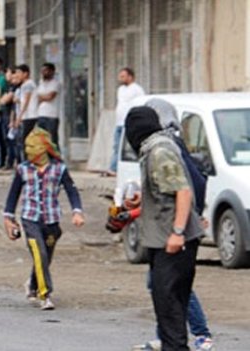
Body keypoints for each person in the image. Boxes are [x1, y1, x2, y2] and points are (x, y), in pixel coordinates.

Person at [124, 106, 204, 351]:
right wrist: (142, 198)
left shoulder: (159, 151)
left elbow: (183, 191)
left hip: (173, 242)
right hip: (164, 239)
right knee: (171, 307)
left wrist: (177, 232)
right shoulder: (156, 148)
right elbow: (167, 190)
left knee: (169, 306)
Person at [2, 127, 85, 311]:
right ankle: (45, 294)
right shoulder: (23, 169)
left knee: (45, 257)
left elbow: (72, 191)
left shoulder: (59, 169)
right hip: (30, 218)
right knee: (39, 252)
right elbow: (13, 194)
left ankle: (32, 284)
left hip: (52, 221)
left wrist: (77, 211)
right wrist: (8, 217)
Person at [108, 67, 145, 177]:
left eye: (123, 76)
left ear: (130, 77)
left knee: (131, 146)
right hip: (119, 122)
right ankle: (114, 168)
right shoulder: (121, 89)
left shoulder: (137, 89)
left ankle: (118, 168)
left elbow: (141, 103)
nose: (121, 79)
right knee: (117, 146)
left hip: (129, 122)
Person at [35, 63, 61, 146]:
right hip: (41, 114)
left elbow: (50, 97)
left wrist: (41, 97)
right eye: (42, 71)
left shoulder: (56, 83)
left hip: (52, 115)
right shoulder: (41, 83)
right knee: (42, 139)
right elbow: (36, 97)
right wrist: (43, 97)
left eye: (46, 70)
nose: (43, 72)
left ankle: (55, 158)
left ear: (52, 71)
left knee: (53, 139)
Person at [13, 64, 38, 145]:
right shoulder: (24, 85)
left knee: (26, 141)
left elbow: (26, 101)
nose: (17, 75)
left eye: (19, 72)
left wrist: (19, 117)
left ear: (26, 73)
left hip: (30, 116)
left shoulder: (28, 84)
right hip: (26, 116)